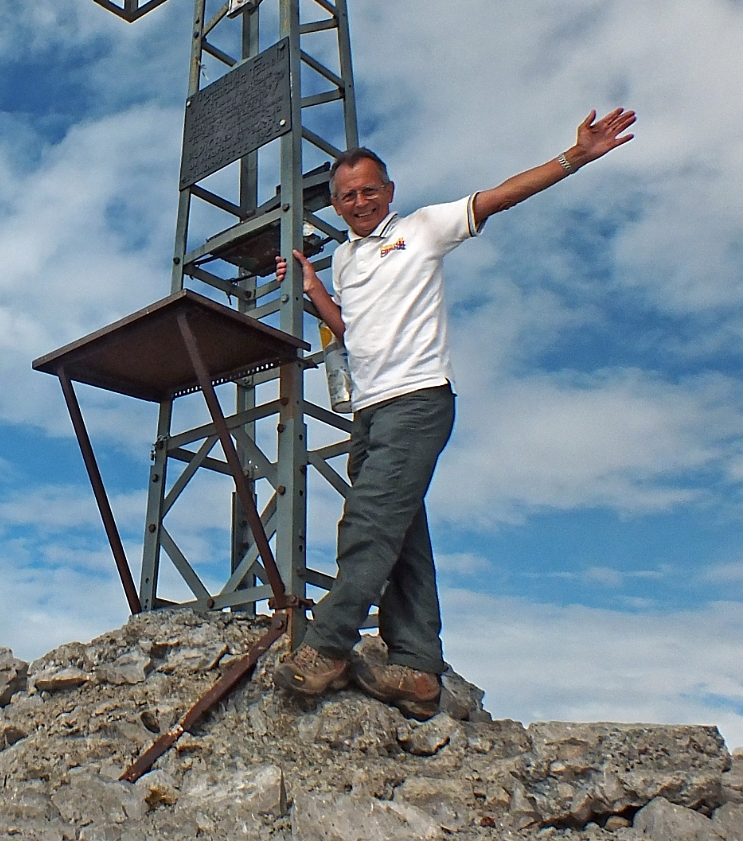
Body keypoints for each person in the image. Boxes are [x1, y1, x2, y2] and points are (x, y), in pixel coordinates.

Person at [271, 108, 636, 718]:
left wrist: (575, 157)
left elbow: (498, 196)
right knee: (402, 533)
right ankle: (416, 670)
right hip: (370, 408)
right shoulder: (345, 259)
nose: (360, 201)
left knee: (366, 525)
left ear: (389, 192)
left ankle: (326, 647)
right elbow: (350, 331)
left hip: (418, 401)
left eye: (369, 191)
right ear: (335, 205)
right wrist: (312, 288)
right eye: (347, 195)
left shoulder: (424, 226)